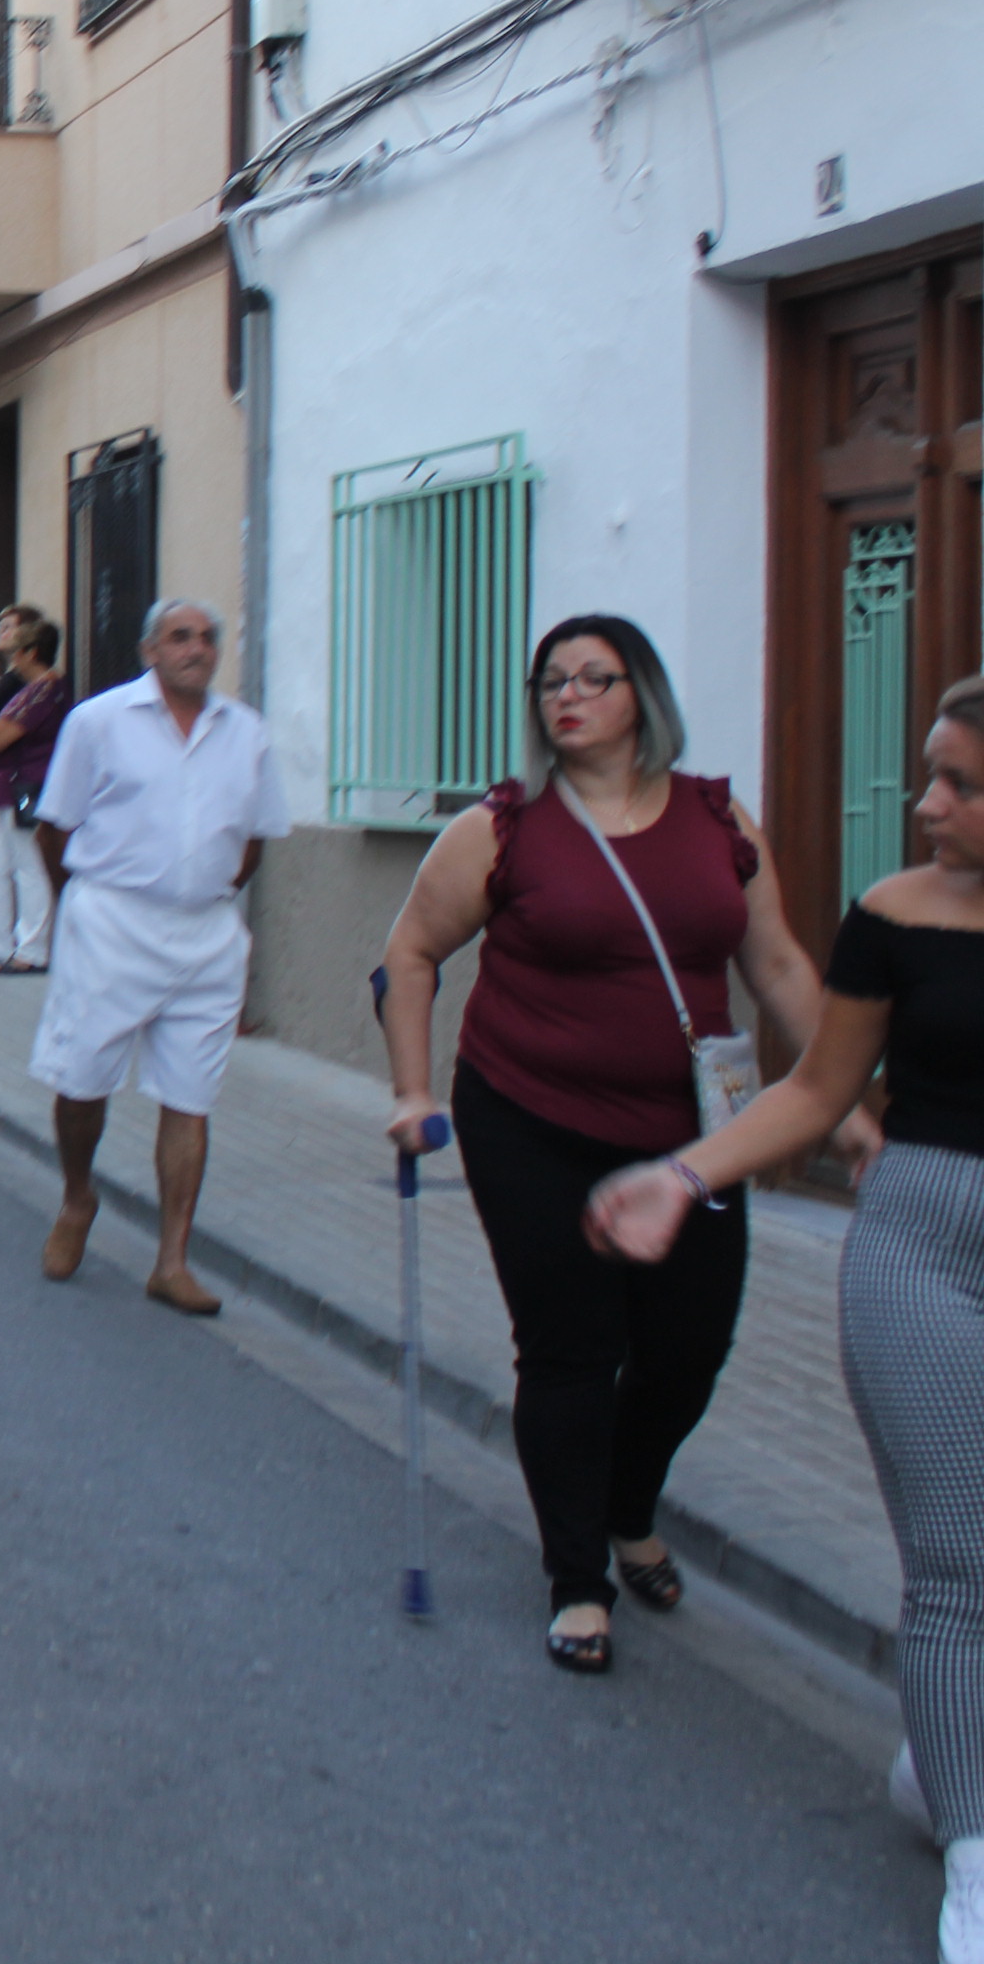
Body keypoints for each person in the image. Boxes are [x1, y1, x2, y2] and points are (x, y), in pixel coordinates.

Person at [588, 676, 983, 1952]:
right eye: (930, 773)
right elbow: (816, 1091)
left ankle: (946, 1753)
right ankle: (977, 1860)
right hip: (924, 1249)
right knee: (960, 1565)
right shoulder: (895, 916)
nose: (928, 804)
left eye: (962, 785)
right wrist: (682, 1174)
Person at [385, 614, 846, 1676]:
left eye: (595, 678)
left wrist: (844, 1097)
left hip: (695, 1139)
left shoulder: (717, 817)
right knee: (569, 1349)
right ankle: (579, 1579)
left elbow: (777, 964)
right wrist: (410, 1091)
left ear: (645, 695)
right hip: (528, 1119)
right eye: (552, 680)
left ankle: (630, 1508)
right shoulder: (502, 830)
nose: (569, 695)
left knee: (688, 1349)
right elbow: (408, 954)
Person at [28, 599, 289, 1319]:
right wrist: (82, 907)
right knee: (82, 1080)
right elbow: (55, 828)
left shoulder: (246, 732)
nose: (196, 649)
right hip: (112, 924)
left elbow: (256, 839)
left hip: (207, 935)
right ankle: (78, 1196)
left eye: (207, 638)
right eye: (180, 637)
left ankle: (172, 1261)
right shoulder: (99, 721)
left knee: (191, 1095)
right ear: (150, 650)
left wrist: (207, 892)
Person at [0, 610, 66, 975]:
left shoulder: (44, 693)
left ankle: (33, 950)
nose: (11, 656)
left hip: (25, 788)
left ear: (31, 652)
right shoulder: (33, 691)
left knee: (28, 866)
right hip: (7, 790)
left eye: (16, 649)